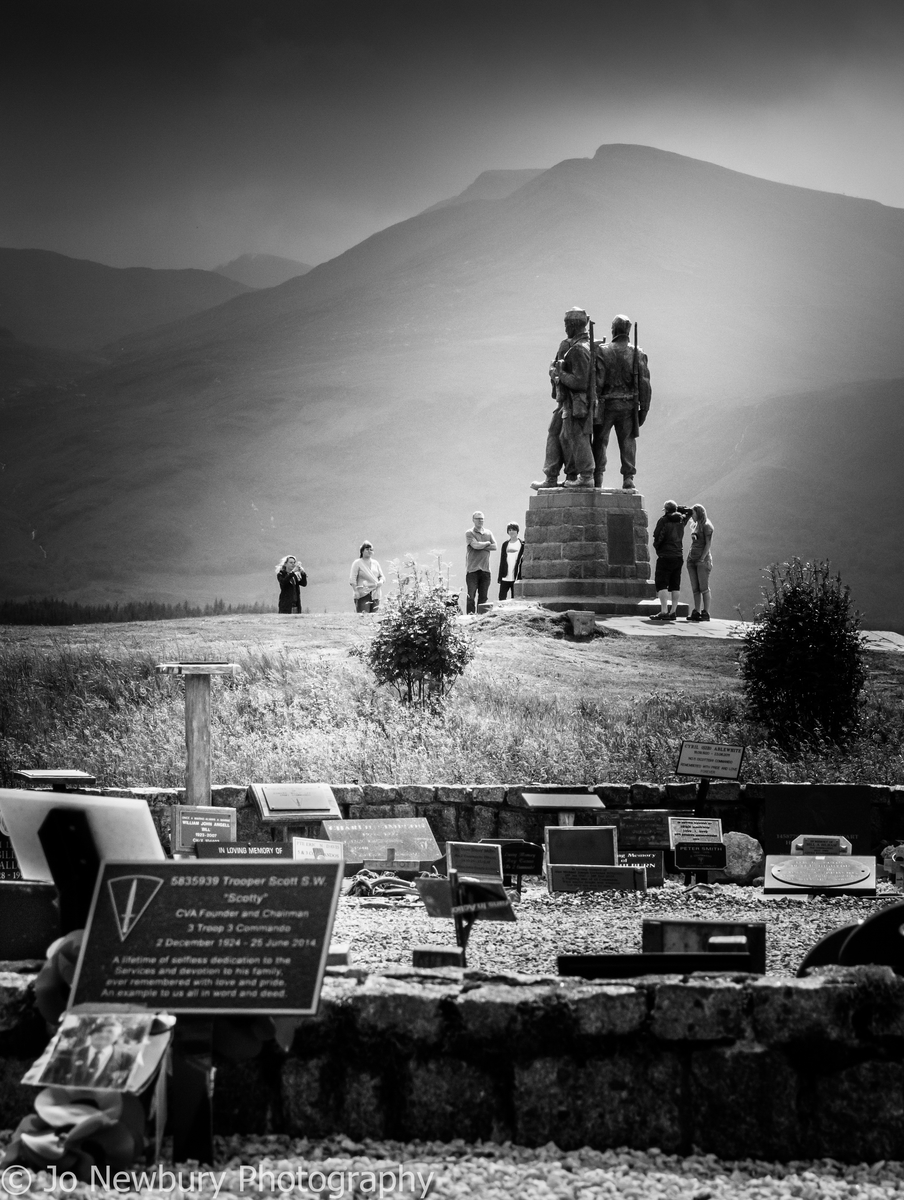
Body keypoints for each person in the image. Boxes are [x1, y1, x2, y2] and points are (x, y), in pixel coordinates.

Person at [531, 306, 596, 490]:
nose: (565, 328)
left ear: (574, 325)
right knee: (555, 433)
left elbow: (581, 382)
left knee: (575, 436)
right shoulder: (574, 347)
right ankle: (551, 477)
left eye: (567, 324)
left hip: (577, 402)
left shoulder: (578, 350)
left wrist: (558, 375)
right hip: (566, 401)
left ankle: (585, 475)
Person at [592, 314, 651, 490]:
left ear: (614, 330)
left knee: (600, 441)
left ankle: (597, 477)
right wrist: (644, 408)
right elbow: (645, 384)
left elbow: (598, 381)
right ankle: (628, 477)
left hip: (606, 405)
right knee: (628, 441)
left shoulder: (603, 351)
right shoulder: (637, 353)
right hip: (628, 406)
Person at [42, 1017, 134, 1089]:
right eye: (99, 1031)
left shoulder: (127, 1059)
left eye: (110, 1032)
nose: (103, 1034)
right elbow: (49, 1081)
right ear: (91, 1034)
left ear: (118, 1037)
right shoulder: (68, 1054)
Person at [650, 501, 691, 621]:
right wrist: (678, 509)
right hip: (678, 556)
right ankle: (673, 612)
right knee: (675, 584)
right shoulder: (681, 520)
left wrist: (658, 548)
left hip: (665, 556)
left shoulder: (663, 520)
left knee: (662, 583)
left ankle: (664, 611)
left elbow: (657, 536)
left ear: (666, 510)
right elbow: (689, 511)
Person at [686, 504, 714, 621]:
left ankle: (706, 612)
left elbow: (708, 544)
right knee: (695, 588)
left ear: (699, 513)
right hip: (692, 560)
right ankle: (697, 611)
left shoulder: (707, 526)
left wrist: (702, 558)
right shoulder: (696, 525)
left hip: (702, 561)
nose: (691, 515)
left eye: (693, 513)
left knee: (704, 587)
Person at [465, 511, 497, 613]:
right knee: (471, 596)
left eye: (482, 518)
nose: (480, 520)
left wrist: (482, 545)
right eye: (478, 519)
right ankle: (470, 617)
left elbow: (495, 546)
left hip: (485, 570)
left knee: (483, 598)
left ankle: (482, 618)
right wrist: (487, 544)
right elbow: (475, 546)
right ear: (473, 520)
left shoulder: (488, 532)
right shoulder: (469, 533)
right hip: (473, 570)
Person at [349, 542, 384, 613]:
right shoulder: (357, 563)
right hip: (362, 594)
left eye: (371, 549)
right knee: (364, 616)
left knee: (375, 616)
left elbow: (382, 576)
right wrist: (356, 591)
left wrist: (381, 581)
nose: (369, 551)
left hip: (375, 593)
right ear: (362, 551)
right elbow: (352, 579)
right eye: (367, 549)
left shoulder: (375, 563)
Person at [497, 522, 525, 600]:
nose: (511, 531)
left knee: (515, 598)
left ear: (517, 531)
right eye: (509, 530)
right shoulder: (505, 544)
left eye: (513, 529)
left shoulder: (522, 544)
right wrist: (500, 577)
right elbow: (502, 562)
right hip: (505, 577)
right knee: (501, 598)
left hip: (516, 577)